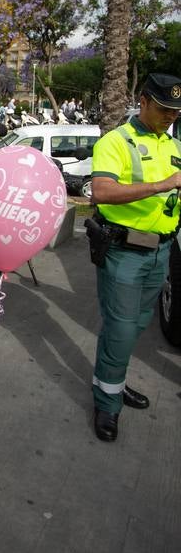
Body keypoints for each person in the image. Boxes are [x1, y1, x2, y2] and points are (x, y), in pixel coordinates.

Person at [88, 73, 181, 443]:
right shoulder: (116, 142)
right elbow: (101, 191)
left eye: (176, 111)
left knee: (130, 328)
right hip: (125, 253)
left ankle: (111, 380)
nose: (170, 117)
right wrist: (164, 184)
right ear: (143, 101)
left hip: (162, 251)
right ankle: (107, 405)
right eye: (163, 109)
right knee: (123, 329)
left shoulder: (173, 143)